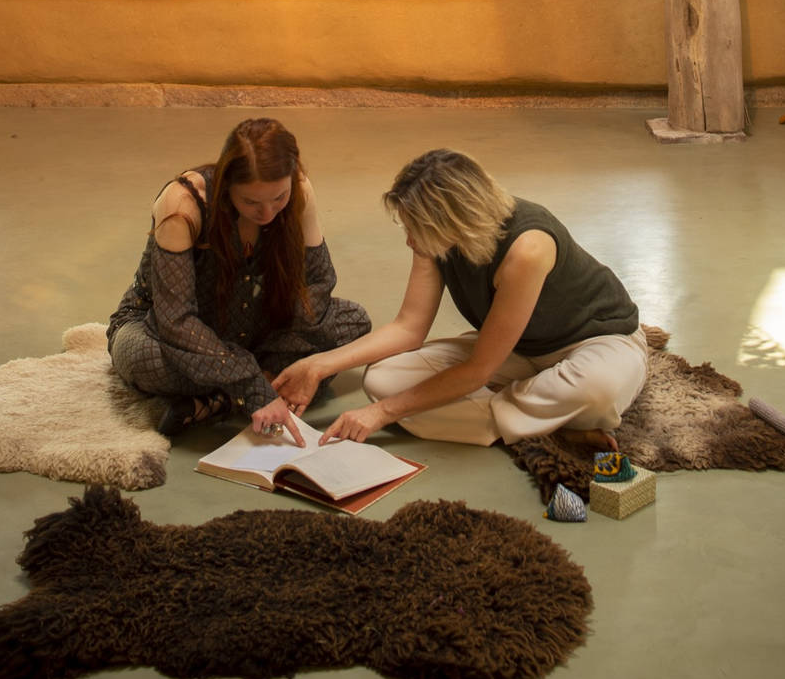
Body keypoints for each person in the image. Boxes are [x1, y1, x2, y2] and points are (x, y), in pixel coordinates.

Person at [272, 149, 651, 450]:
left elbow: (478, 372)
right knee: (385, 379)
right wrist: (318, 365)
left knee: (595, 393)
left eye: (413, 229)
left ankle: (534, 422)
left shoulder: (528, 249)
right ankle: (546, 424)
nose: (408, 239)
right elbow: (408, 328)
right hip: (517, 350)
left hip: (595, 343)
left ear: (450, 221)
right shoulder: (437, 241)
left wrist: (381, 414)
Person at [107, 118, 371, 443]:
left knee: (353, 324)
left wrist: (287, 340)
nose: (268, 213)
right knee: (143, 361)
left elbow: (318, 281)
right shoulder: (183, 203)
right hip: (164, 330)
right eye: (250, 202)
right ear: (225, 184)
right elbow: (174, 320)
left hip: (255, 327)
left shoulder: (299, 188)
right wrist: (253, 385)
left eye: (279, 198)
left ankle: (217, 402)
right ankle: (261, 385)